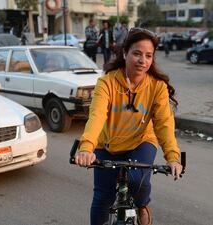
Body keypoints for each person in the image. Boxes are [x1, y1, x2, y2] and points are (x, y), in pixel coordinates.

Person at [74, 27, 183, 225]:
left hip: (141, 141)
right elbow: (97, 115)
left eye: (148, 55)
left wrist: (173, 157)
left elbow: (164, 123)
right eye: (137, 53)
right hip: (107, 144)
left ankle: (142, 205)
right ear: (125, 53)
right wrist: (86, 147)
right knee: (102, 198)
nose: (143, 61)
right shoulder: (106, 83)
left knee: (137, 181)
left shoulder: (157, 87)